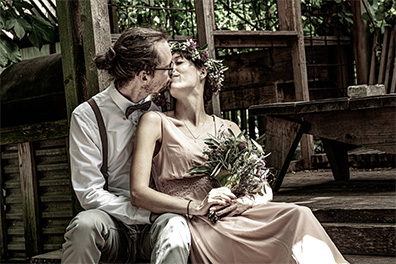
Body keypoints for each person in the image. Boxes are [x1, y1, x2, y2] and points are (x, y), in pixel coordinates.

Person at [130, 39, 350, 264]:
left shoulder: (228, 128)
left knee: (299, 214)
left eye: (178, 63)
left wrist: (249, 202)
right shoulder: (155, 122)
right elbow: (138, 192)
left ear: (203, 71)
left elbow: (262, 186)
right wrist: (196, 207)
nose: (171, 71)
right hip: (191, 221)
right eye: (168, 68)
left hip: (231, 214)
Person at [62, 28, 191, 264]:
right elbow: (89, 193)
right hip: (112, 222)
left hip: (156, 222)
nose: (173, 73)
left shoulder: (163, 109)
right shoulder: (87, 116)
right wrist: (143, 213)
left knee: (176, 227)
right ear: (144, 76)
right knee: (84, 226)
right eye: (168, 67)